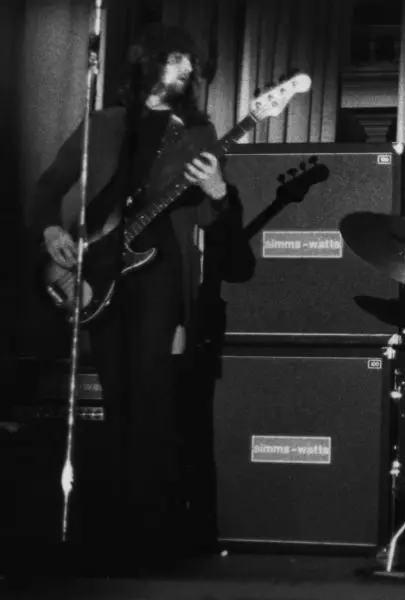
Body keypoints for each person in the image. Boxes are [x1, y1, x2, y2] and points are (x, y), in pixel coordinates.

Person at [25, 23, 236, 571]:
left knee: (153, 399)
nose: (186, 69)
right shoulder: (103, 124)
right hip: (98, 270)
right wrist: (51, 230)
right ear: (147, 62)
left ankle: (157, 537)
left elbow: (211, 220)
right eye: (176, 58)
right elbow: (48, 186)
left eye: (190, 62)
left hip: (158, 272)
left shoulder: (198, 132)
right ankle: (113, 536)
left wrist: (219, 192)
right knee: (117, 400)